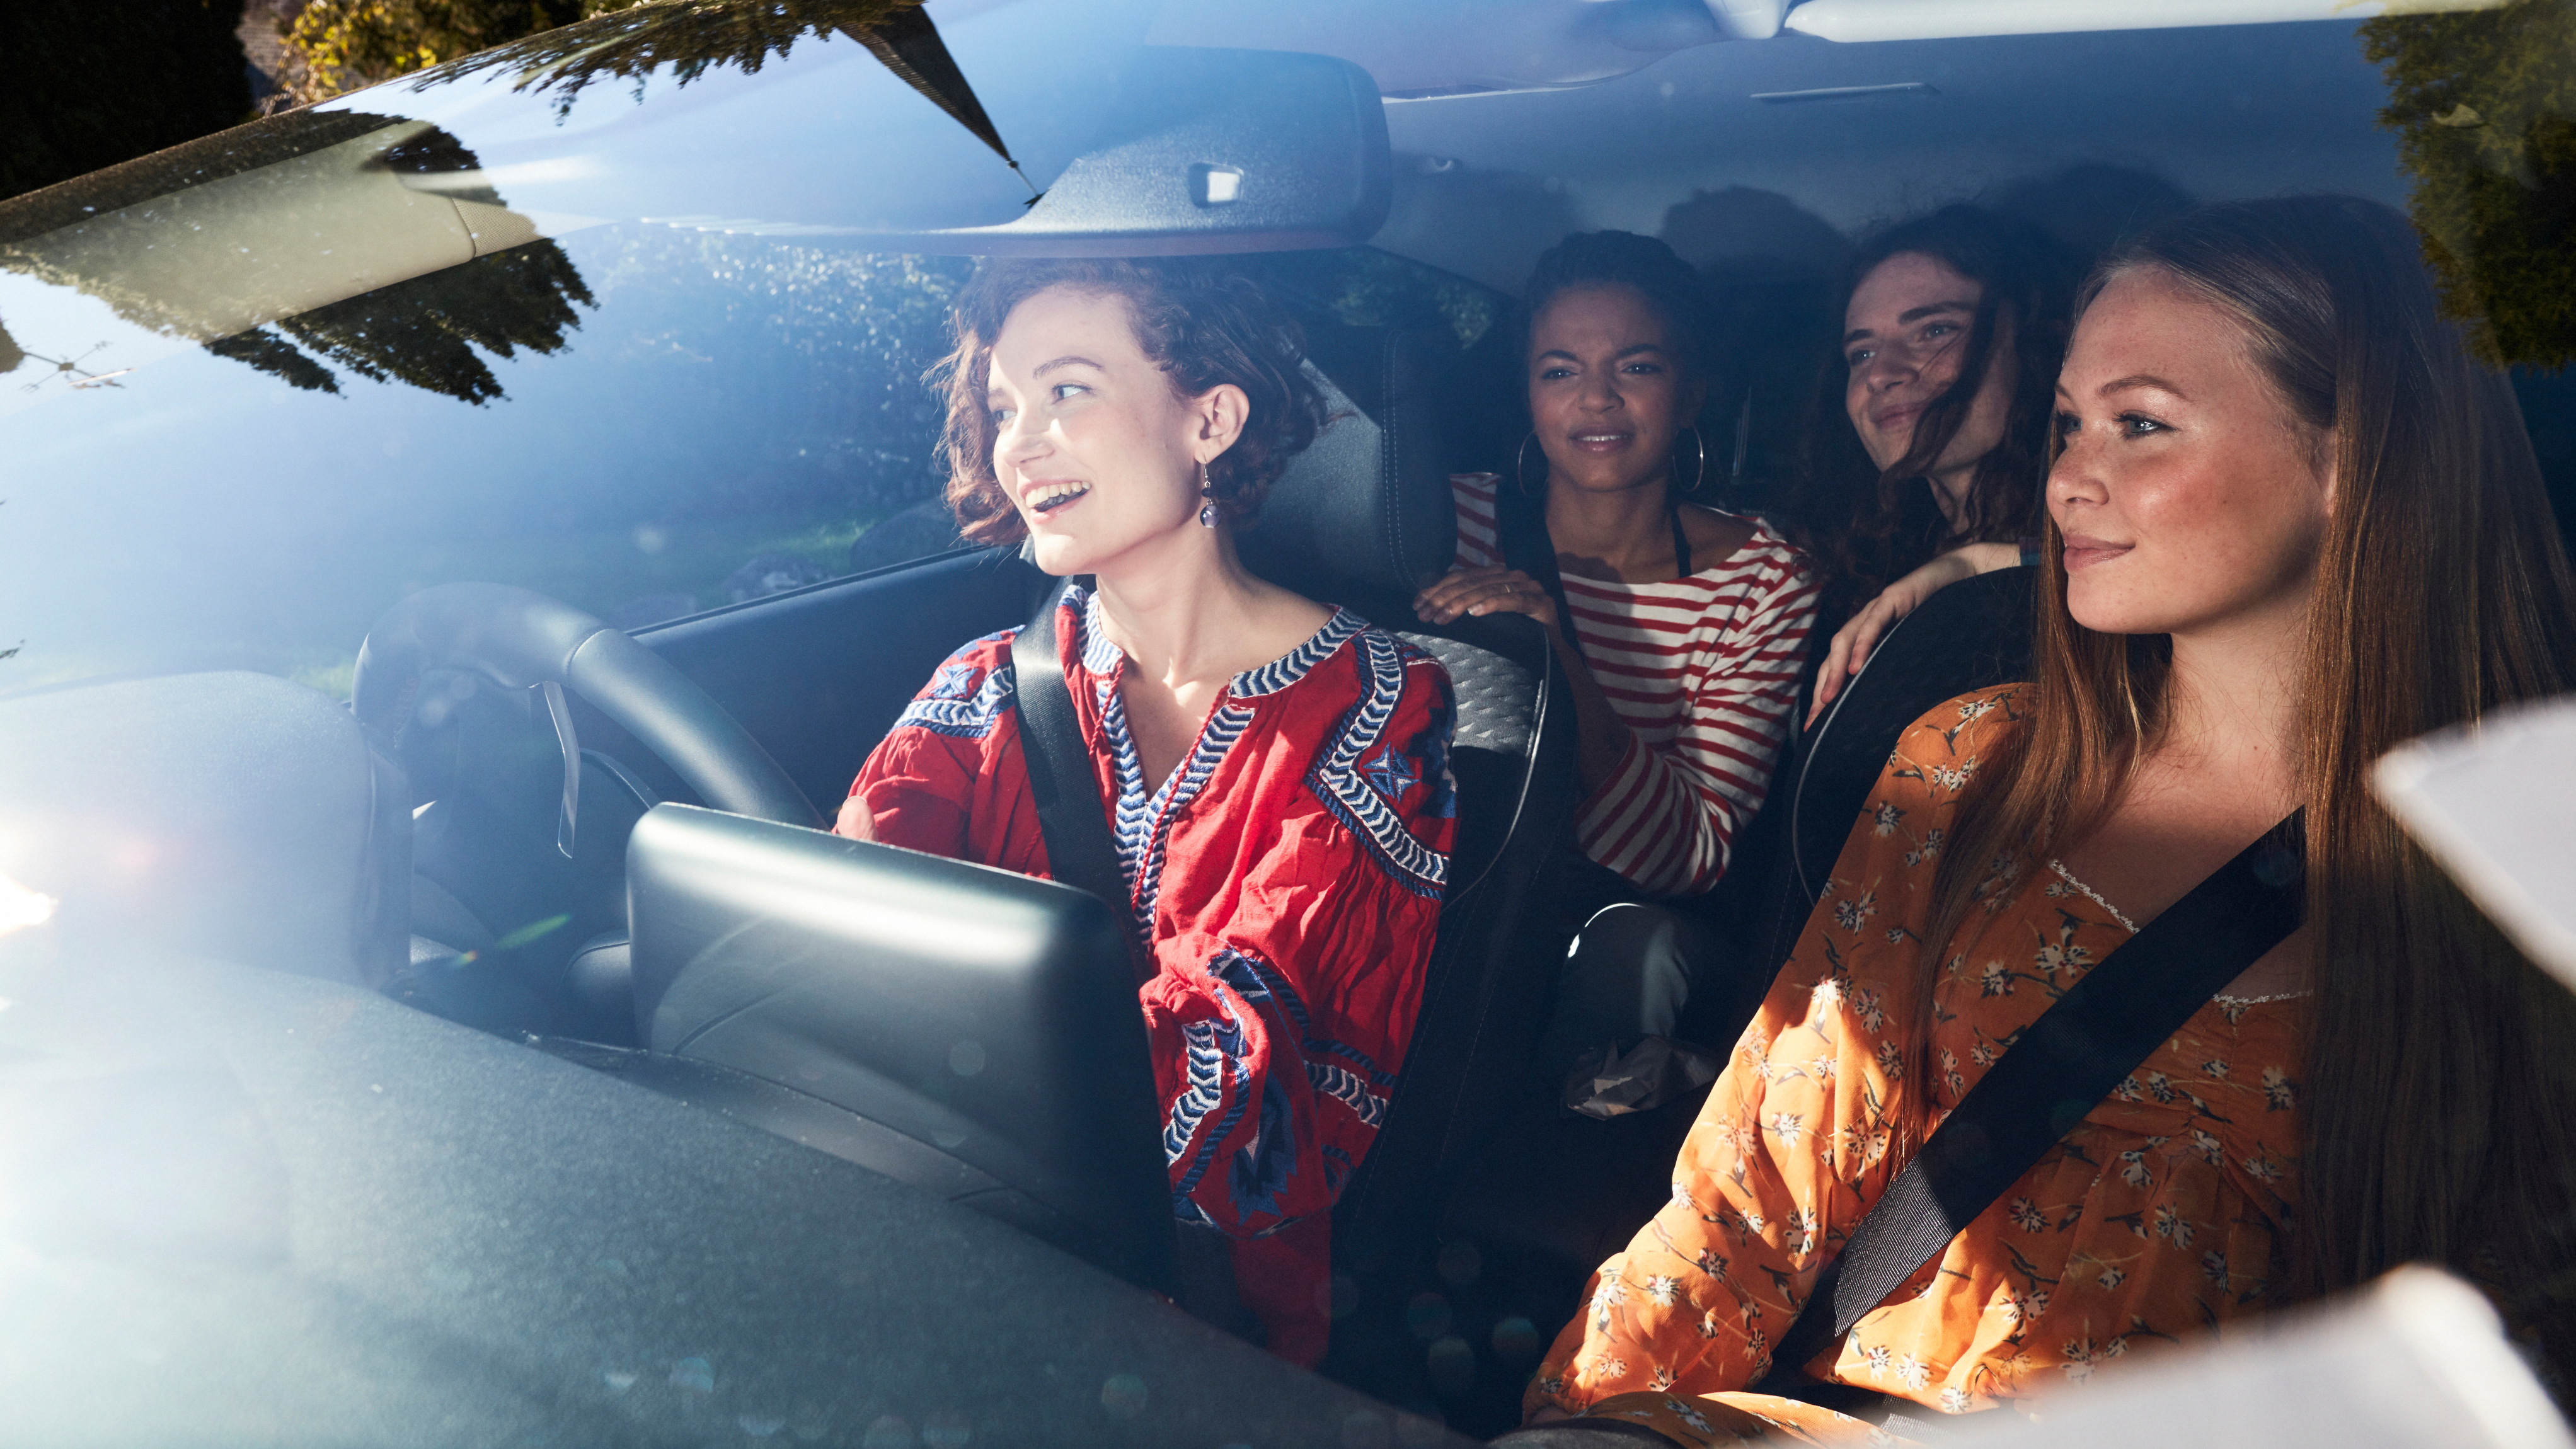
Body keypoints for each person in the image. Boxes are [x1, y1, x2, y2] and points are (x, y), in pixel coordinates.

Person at [1522, 195, 2576, 1443]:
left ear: (2354, 461)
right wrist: (1583, 1422)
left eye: (2140, 424)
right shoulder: (1971, 764)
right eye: (2068, 423)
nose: (2068, 477)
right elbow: (1756, 1186)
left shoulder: (2522, 835)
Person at [836, 258, 1458, 1366]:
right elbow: (837, 935)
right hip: (941, 1227)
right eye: (1003, 410)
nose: (1018, 447)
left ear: (1209, 419)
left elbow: (1242, 1074)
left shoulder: (1378, 709)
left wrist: (928, 1068)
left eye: (1067, 391)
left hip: (1178, 1309)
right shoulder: (982, 687)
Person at [1413, 232, 1822, 1069]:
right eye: (1559, 372)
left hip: (1631, 920)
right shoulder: (1436, 518)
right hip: (1460, 890)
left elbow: (1691, 856)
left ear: (1690, 393)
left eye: (1636, 367)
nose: (1595, 399)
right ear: (1529, 396)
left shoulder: (1766, 576)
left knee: (1630, 949)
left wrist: (1553, 659)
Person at [1791, 206, 2077, 724]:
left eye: (1934, 330)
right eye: (1861, 354)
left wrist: (1973, 566)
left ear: (2042, 346)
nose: (1882, 374)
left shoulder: (2102, 548)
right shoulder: (1849, 572)